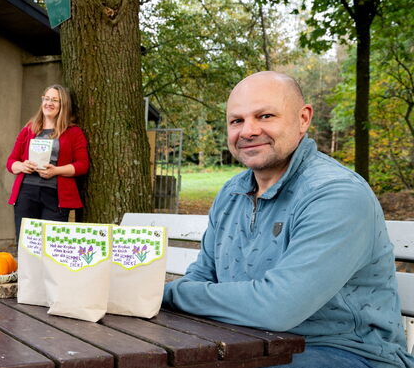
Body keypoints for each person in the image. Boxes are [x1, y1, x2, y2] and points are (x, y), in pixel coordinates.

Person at [163, 72, 414, 368]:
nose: (248, 131)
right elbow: (202, 275)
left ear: (303, 119)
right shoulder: (232, 192)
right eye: (237, 121)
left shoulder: (335, 194)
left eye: (265, 116)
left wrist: (167, 292)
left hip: (347, 352)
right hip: (248, 341)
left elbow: (277, 308)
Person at [6, 84, 89, 240]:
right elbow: (11, 162)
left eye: (55, 100)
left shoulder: (73, 132)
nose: (49, 103)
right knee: (26, 245)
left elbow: (82, 165)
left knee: (51, 246)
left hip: (56, 196)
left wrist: (56, 171)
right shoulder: (29, 129)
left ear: (63, 105)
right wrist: (23, 166)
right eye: (46, 98)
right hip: (27, 193)